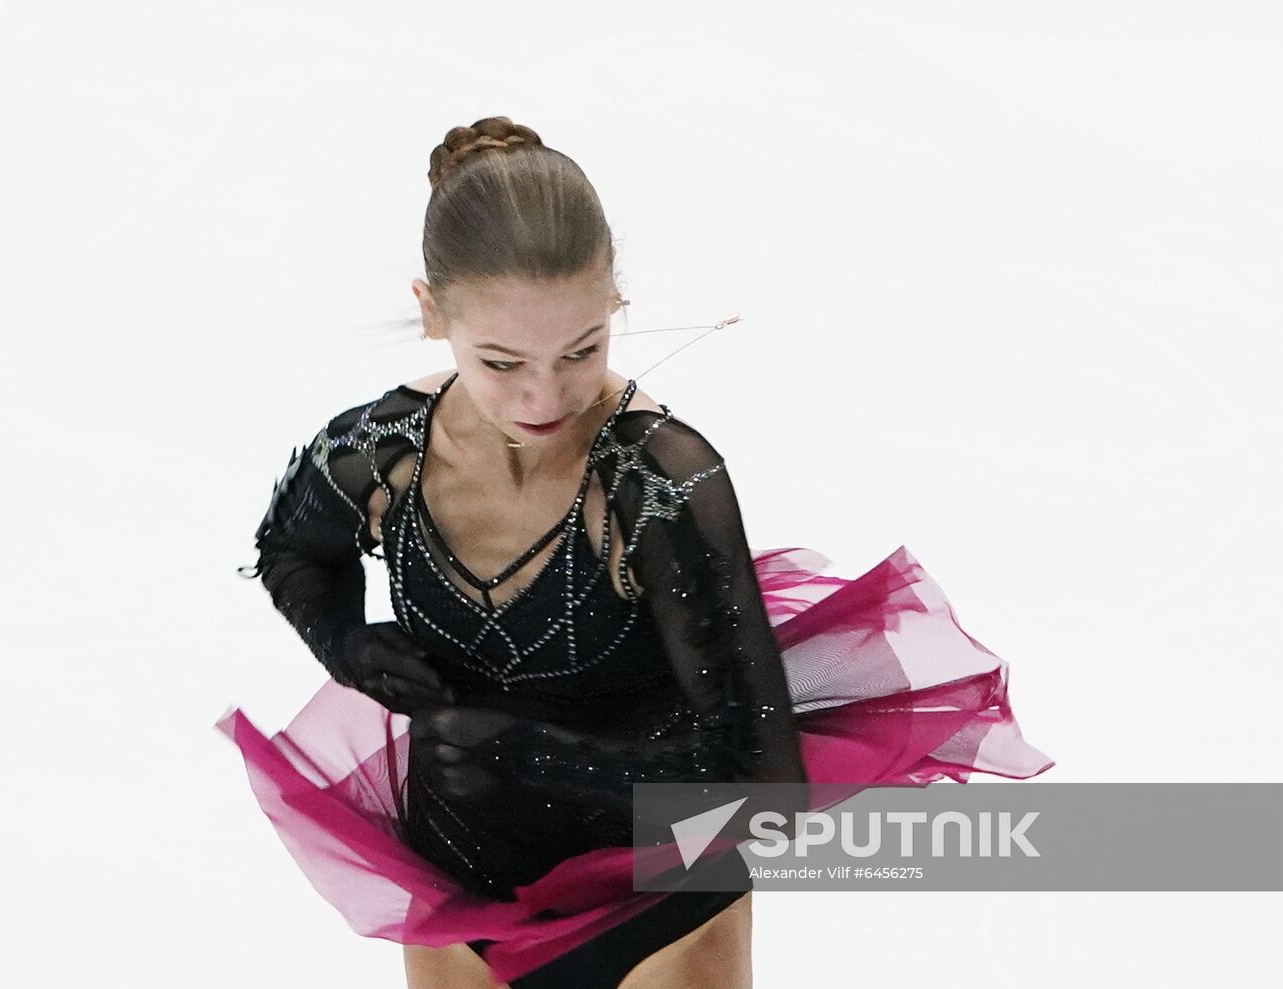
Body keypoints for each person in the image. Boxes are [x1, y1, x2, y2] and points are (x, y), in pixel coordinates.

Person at [216, 115, 1054, 988]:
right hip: (459, 888)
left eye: (581, 350)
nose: (545, 396)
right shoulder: (378, 453)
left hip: (656, 900)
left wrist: (528, 753)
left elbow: (766, 785)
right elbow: (291, 548)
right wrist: (345, 641)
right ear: (434, 314)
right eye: (502, 362)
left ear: (616, 303)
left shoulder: (655, 483)